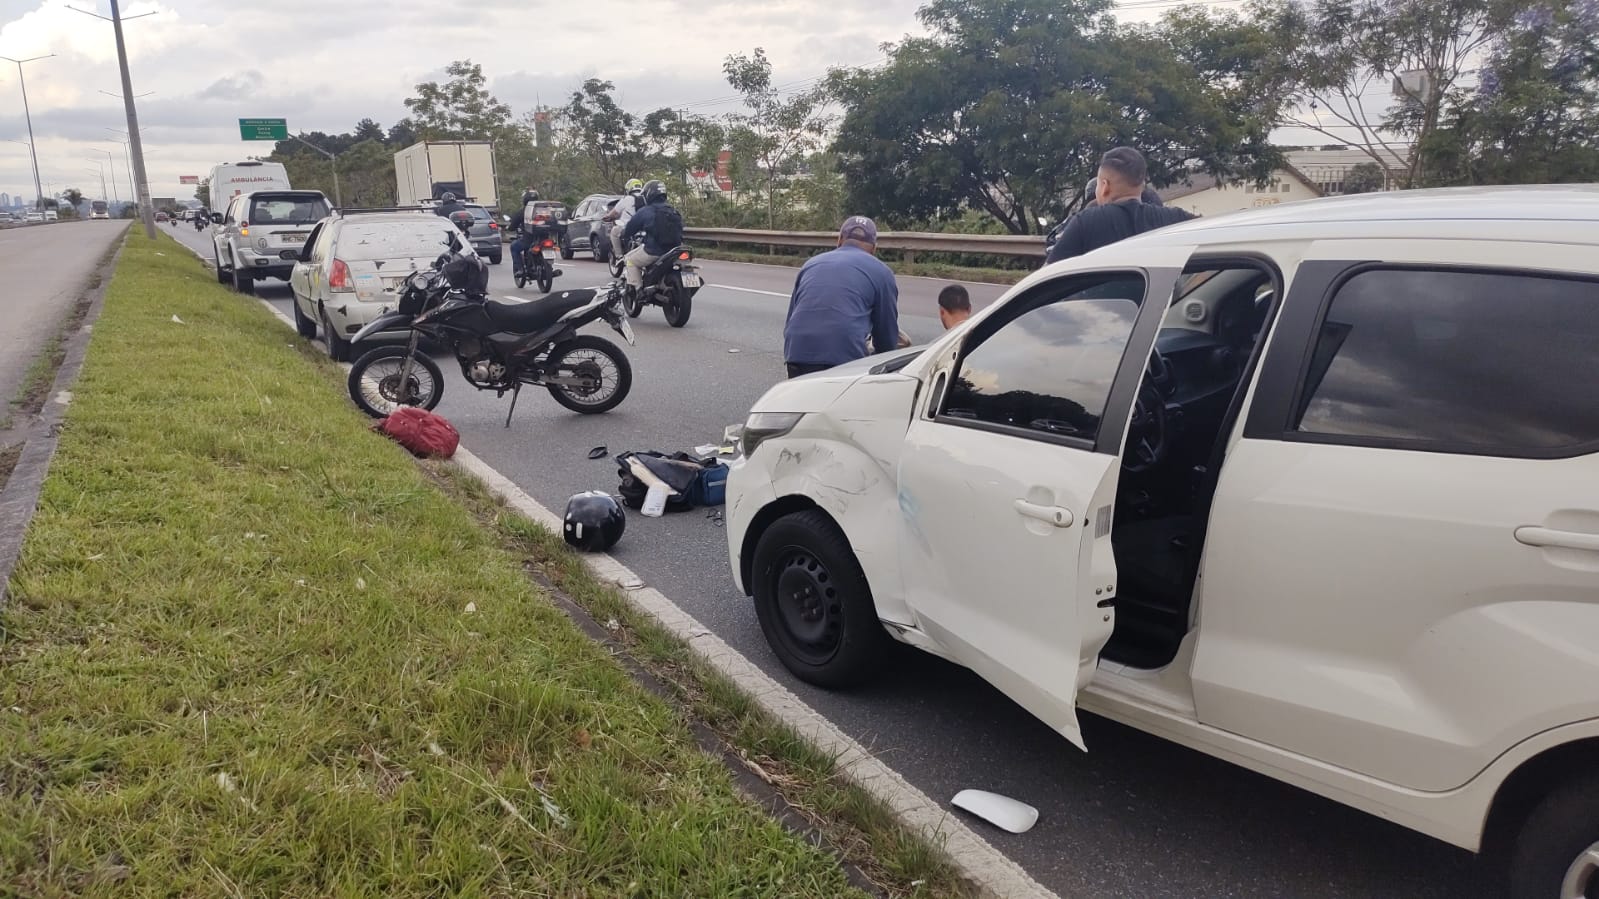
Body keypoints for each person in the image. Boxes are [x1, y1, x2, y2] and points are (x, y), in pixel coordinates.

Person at [782, 216, 900, 379]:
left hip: (797, 354)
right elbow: (886, 336)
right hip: (843, 360)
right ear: (874, 248)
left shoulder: (810, 264)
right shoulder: (882, 272)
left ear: (839, 240)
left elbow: (790, 322)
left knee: (803, 402)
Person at [1044, 148, 1195, 265]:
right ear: (1142, 185)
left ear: (1104, 186)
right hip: (1164, 305)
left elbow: (1047, 278)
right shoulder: (1178, 219)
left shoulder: (1085, 222)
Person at [619, 180, 682, 297]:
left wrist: (624, 234)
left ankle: (639, 291)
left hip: (654, 251)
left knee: (630, 260)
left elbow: (630, 228)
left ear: (648, 195)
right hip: (675, 250)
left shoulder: (646, 211)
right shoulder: (673, 210)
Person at [508, 190, 552, 278]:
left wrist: (509, 228)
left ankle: (520, 269)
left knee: (513, 247)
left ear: (525, 199)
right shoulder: (544, 209)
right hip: (544, 239)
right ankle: (548, 268)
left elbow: (513, 225)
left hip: (529, 240)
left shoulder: (523, 211)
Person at [602, 178, 645, 260]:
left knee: (614, 232)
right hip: (645, 227)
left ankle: (619, 256)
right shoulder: (646, 198)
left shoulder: (627, 199)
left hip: (628, 227)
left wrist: (607, 217)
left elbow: (614, 213)